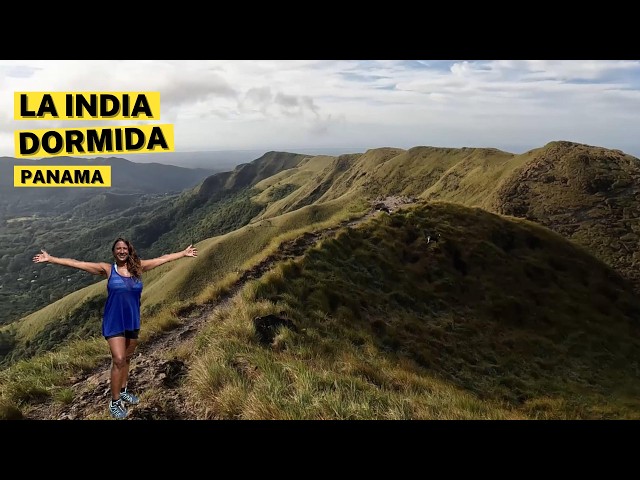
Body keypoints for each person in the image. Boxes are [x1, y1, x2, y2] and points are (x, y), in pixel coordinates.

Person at [32, 238, 198, 419]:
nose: (121, 251)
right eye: (118, 248)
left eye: (124, 248)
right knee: (118, 359)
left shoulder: (138, 268)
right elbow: (78, 264)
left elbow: (163, 258)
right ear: (114, 252)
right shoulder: (108, 270)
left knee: (126, 358)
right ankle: (115, 400)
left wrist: (183, 253)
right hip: (114, 321)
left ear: (129, 250)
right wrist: (51, 259)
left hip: (132, 320)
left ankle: (124, 388)